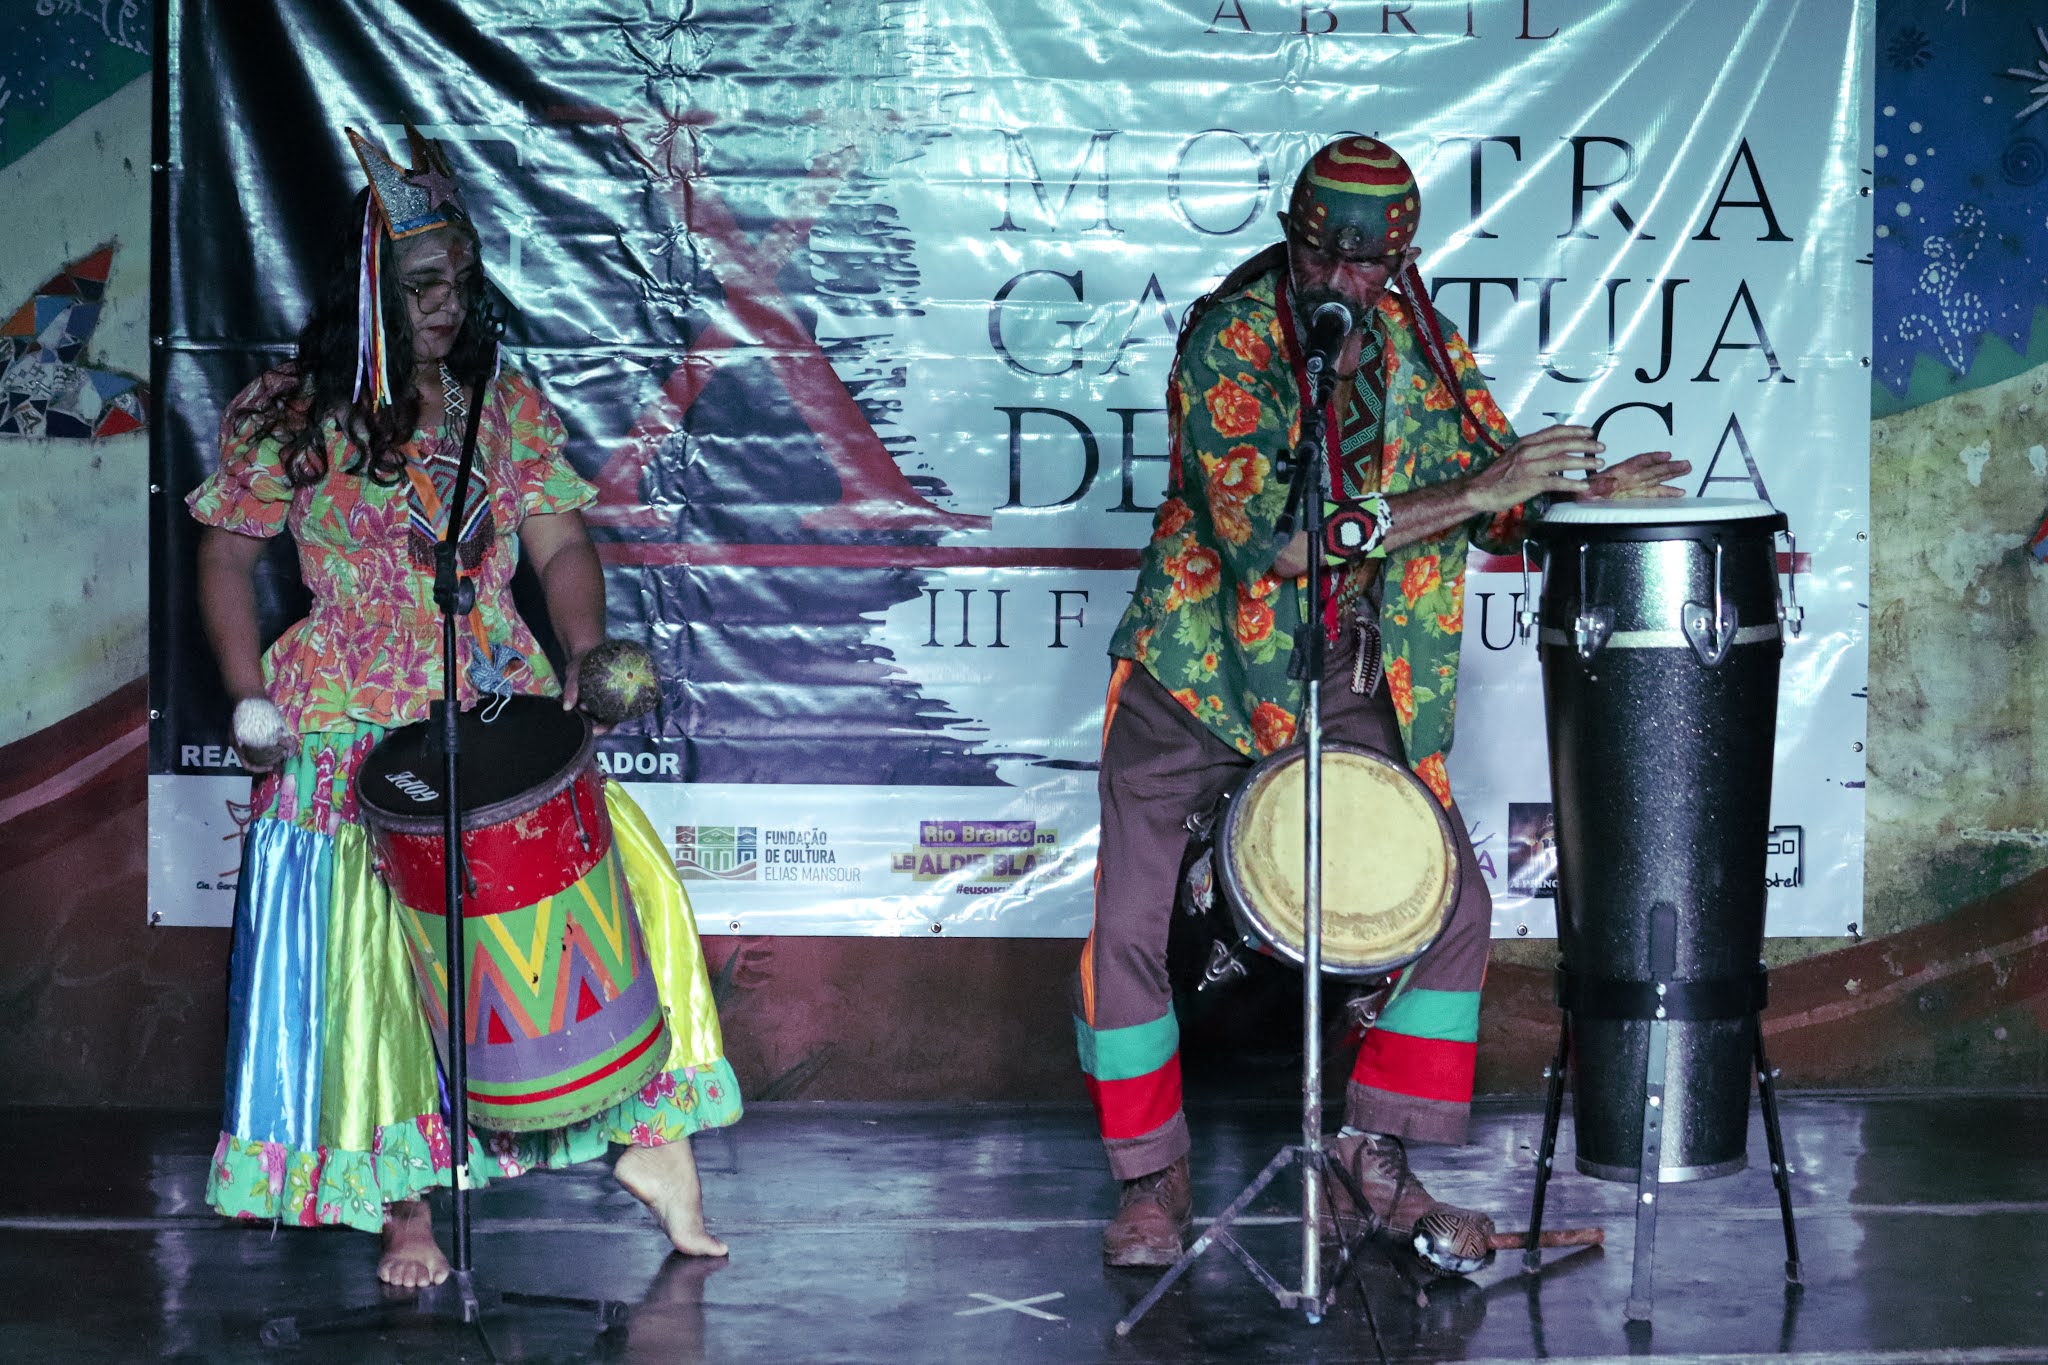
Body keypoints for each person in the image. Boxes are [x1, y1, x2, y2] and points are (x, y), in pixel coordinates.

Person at [1079, 136, 1687, 1272]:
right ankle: (1150, 1177)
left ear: (1400, 258)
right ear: (1294, 237)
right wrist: (1477, 488)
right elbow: (1270, 544)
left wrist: (1575, 493)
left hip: (1345, 674)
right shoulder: (1232, 339)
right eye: (1325, 255)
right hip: (1195, 672)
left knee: (1448, 904)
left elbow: (1490, 493)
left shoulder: (1423, 344)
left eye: (1369, 263)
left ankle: (1372, 1153)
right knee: (1128, 928)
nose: (1344, 281)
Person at [189, 126, 740, 1288]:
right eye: (421, 285)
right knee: (380, 962)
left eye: (458, 282)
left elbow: (560, 545)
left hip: (492, 705)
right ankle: (405, 1204)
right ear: (369, 290)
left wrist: (583, 650)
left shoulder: (502, 405)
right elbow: (227, 556)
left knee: (616, 901)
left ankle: (651, 1141)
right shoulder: (290, 413)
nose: (445, 306)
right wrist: (245, 698)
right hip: (347, 717)